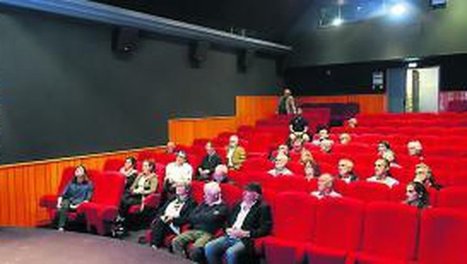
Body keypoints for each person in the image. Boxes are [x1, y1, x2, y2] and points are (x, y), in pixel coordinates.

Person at [205, 183, 272, 264]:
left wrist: (246, 233)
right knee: (209, 247)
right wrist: (227, 229)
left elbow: (265, 228)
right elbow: (227, 221)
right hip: (230, 235)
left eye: (247, 192)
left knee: (231, 252)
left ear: (256, 196)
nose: (244, 193)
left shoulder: (263, 208)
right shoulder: (237, 204)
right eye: (244, 191)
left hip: (245, 240)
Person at [171, 182, 228, 261]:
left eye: (208, 195)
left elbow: (211, 219)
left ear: (216, 196)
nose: (204, 196)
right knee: (176, 241)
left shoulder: (222, 207)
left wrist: (200, 217)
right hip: (194, 230)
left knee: (195, 249)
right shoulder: (203, 204)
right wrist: (204, 217)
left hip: (207, 233)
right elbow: (191, 216)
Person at [149, 182, 197, 248]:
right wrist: (161, 216)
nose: (178, 188)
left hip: (175, 225)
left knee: (160, 222)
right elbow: (162, 210)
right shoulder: (173, 198)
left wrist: (172, 219)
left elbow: (187, 218)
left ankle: (155, 244)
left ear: (187, 190)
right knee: (156, 216)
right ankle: (154, 243)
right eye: (177, 186)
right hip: (165, 220)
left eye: (180, 186)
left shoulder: (191, 203)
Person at [56, 165, 93, 231]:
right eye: (76, 170)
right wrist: (59, 203)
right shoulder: (71, 183)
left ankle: (62, 210)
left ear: (84, 173)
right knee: (65, 202)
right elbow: (62, 194)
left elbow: (87, 200)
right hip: (69, 202)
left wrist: (76, 206)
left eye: (80, 170)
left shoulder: (88, 184)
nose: (77, 171)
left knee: (64, 206)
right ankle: (61, 227)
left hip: (79, 204)